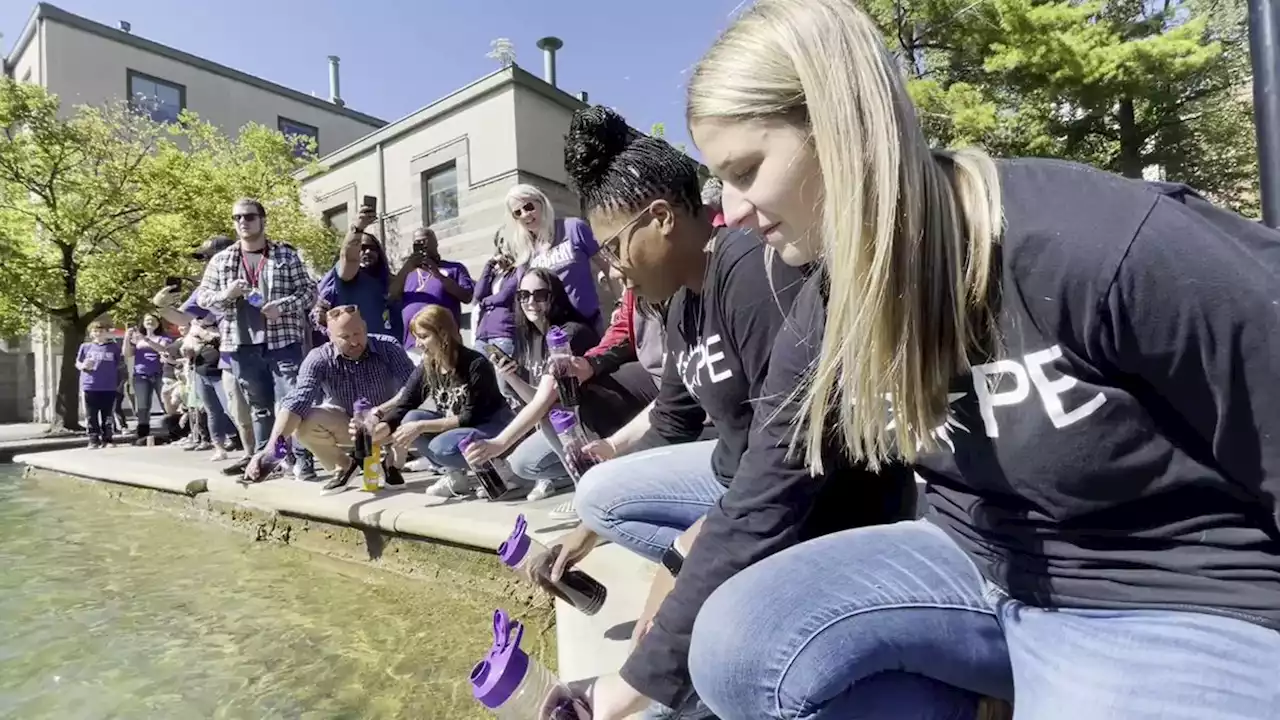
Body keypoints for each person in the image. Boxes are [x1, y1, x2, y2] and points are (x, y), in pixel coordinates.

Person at [599, 1, 1280, 719]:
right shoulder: (830, 299)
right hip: (970, 562)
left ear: (841, 125)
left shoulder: (1095, 244)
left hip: (1163, 592)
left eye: (746, 171)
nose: (729, 211)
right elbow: (759, 499)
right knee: (734, 645)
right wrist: (628, 688)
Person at [462, 268, 652, 507]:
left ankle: (587, 493)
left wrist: (499, 443)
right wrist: (511, 377)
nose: (530, 302)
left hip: (605, 413)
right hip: (570, 418)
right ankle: (571, 477)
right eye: (523, 295)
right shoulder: (531, 338)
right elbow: (538, 400)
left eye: (539, 295)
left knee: (550, 420)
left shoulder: (568, 334)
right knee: (523, 464)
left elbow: (545, 402)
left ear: (555, 297)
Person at [198, 199, 318, 479]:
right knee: (261, 409)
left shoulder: (286, 255)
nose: (243, 222)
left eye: (249, 216)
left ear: (262, 220)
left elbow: (309, 293)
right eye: (237, 217)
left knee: (293, 403)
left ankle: (302, 460)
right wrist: (226, 295)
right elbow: (204, 298)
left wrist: (283, 306)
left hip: (283, 342)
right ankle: (268, 461)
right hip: (241, 345)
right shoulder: (222, 259)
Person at [246, 306, 414, 490]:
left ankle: (391, 464)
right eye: (345, 337)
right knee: (304, 422)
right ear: (330, 336)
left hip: (386, 422)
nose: (354, 342)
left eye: (358, 333)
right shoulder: (318, 358)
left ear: (365, 328)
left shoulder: (388, 346)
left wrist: (380, 413)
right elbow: (297, 401)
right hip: (347, 424)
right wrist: (272, 452)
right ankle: (344, 465)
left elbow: (412, 388)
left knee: (411, 414)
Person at [377, 305, 516, 494]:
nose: (418, 344)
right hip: (460, 429)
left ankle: (497, 467)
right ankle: (455, 475)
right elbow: (406, 403)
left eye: (424, 337)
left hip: (491, 426)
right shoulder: (429, 364)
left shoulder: (475, 364)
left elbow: (469, 417)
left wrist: (421, 427)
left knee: (441, 446)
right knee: (409, 419)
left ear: (443, 335)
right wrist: (382, 427)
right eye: (416, 337)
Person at [154, 235, 250, 455]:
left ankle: (285, 456)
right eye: (204, 260)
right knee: (236, 410)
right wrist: (162, 307)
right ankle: (253, 456)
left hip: (264, 349)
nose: (206, 264)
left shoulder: (254, 273)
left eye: (208, 258)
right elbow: (182, 319)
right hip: (227, 355)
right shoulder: (204, 290)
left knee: (269, 407)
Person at [504, 184, 615, 331]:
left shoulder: (573, 228)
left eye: (529, 207)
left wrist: (621, 303)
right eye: (517, 213)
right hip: (553, 331)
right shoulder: (525, 253)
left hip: (588, 324)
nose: (525, 214)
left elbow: (608, 265)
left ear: (542, 203)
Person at [318, 203, 401, 340]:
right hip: (352, 350)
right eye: (362, 248)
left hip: (383, 351)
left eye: (372, 248)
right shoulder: (346, 274)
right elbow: (350, 258)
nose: (367, 252)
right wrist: (357, 229)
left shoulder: (384, 281)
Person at [393, 226, 474, 362]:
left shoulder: (454, 268)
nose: (422, 245)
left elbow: (467, 296)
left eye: (425, 241)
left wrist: (437, 274)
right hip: (413, 345)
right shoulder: (408, 274)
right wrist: (407, 267)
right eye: (417, 242)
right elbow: (392, 295)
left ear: (436, 243)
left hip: (444, 343)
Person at [472, 230, 520, 387]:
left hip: (502, 334)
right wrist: (489, 265)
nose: (503, 245)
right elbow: (478, 294)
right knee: (479, 385)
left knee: (504, 387)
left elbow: (504, 296)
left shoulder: (519, 269)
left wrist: (485, 302)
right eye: (500, 241)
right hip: (483, 336)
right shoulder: (496, 272)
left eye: (506, 241)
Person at [122, 313, 173, 444]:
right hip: (141, 374)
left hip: (160, 374)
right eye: (147, 320)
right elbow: (127, 354)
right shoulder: (137, 339)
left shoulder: (163, 337)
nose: (149, 322)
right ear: (143, 323)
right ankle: (142, 433)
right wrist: (127, 338)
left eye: (152, 320)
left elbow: (164, 349)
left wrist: (147, 339)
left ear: (158, 323)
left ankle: (173, 431)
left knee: (166, 403)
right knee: (143, 406)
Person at [75, 321, 123, 449]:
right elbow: (78, 363)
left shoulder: (113, 347)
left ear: (106, 333)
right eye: (95, 331)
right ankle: (93, 439)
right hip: (90, 385)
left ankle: (108, 439)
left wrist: (120, 382)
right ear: (91, 334)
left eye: (101, 331)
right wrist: (83, 366)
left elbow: (119, 365)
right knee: (91, 415)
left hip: (108, 385)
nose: (98, 334)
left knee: (107, 414)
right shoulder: (85, 347)